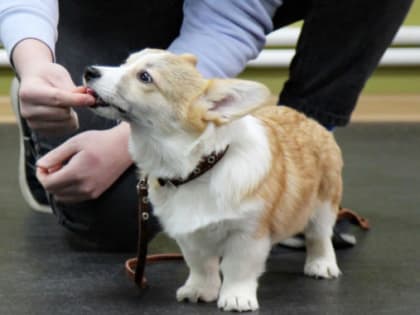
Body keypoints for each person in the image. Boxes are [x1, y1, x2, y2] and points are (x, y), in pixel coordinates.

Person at [0, 0, 413, 251]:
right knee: (114, 220)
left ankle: (300, 167)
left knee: (141, 196)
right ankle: (45, 97)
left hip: (201, 9)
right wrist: (36, 64)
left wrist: (124, 138)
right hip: (96, 11)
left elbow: (227, 19)